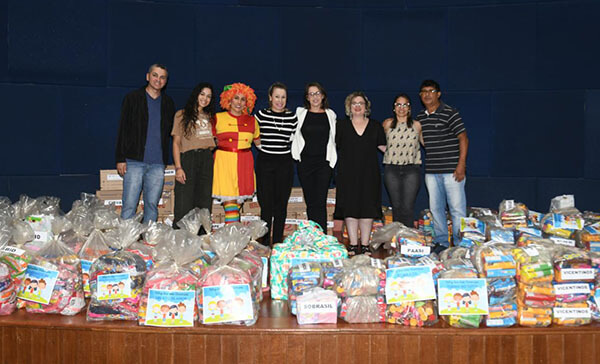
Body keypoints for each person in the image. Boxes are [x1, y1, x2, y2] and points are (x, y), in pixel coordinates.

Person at [115, 63, 175, 223]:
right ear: (148, 77)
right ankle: (125, 242)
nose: (158, 80)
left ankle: (149, 240)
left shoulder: (168, 103)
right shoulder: (132, 98)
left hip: (158, 164)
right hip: (134, 162)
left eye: (162, 77)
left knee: (152, 205)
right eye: (155, 75)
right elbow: (123, 128)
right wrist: (120, 158)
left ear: (166, 81)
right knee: (129, 205)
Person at [414, 80, 468, 253]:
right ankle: (442, 243)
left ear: (438, 94)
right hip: (431, 172)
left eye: (431, 91)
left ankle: (461, 245)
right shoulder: (421, 117)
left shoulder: (450, 112)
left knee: (457, 210)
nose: (427, 94)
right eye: (424, 92)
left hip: (452, 171)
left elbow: (463, 138)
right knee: (436, 209)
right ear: (420, 96)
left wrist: (461, 165)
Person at [334, 91, 386, 255]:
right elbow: (330, 147)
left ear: (366, 107)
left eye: (360, 103)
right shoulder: (340, 126)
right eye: (354, 103)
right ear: (349, 107)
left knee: (367, 209)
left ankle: (364, 245)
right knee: (350, 209)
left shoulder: (376, 126)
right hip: (347, 175)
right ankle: (352, 244)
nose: (357, 106)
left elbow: (386, 149)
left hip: (369, 174)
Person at [255, 82, 298, 245]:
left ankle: (278, 241)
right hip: (265, 162)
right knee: (266, 205)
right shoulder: (260, 115)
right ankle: (265, 242)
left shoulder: (292, 117)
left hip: (284, 163)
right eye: (277, 97)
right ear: (270, 98)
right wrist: (261, 147)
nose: (280, 100)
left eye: (283, 97)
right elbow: (253, 133)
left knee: (281, 205)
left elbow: (293, 139)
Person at [291, 82, 337, 233]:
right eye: (311, 94)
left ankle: (321, 236)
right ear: (307, 98)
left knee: (320, 201)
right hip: (305, 164)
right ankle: (312, 235)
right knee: (310, 202)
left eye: (317, 93)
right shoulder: (300, 114)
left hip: (324, 164)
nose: (315, 97)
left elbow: (335, 139)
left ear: (323, 96)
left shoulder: (330, 115)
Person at [212, 83, 260, 224]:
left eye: (243, 99)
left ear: (248, 102)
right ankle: (232, 237)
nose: (239, 102)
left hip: (244, 162)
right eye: (236, 98)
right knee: (230, 203)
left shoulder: (252, 121)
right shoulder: (217, 118)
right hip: (224, 162)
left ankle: (232, 237)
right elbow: (205, 141)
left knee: (235, 204)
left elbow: (260, 144)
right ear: (229, 99)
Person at [171, 82, 216, 226]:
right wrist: (178, 167)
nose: (205, 98)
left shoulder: (211, 117)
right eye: (202, 94)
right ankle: (181, 238)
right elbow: (176, 143)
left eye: (209, 96)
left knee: (204, 201)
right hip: (188, 159)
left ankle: (202, 238)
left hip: (206, 159)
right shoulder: (181, 115)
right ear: (196, 94)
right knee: (184, 201)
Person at [382, 94, 422, 227]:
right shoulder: (387, 124)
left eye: (405, 105)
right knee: (396, 206)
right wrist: (388, 151)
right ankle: (396, 238)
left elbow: (426, 143)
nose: (402, 108)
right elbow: (377, 141)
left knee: (408, 206)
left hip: (411, 169)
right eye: (398, 104)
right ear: (394, 108)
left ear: (409, 108)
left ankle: (408, 238)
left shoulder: (417, 125)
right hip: (391, 169)